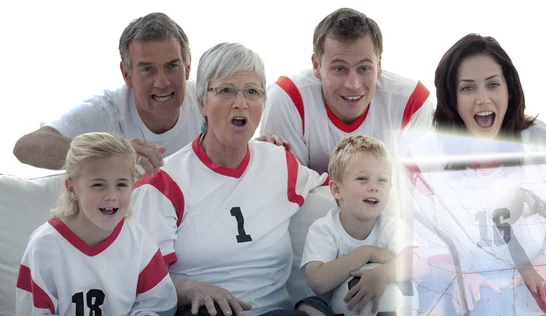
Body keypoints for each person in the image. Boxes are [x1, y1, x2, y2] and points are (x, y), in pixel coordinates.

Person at [131, 42, 331, 316]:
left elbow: (344, 190)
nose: (241, 103)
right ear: (202, 102)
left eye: (252, 91)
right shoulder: (163, 184)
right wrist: (190, 290)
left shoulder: (279, 162)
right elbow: (142, 283)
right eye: (225, 90)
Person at [402, 33, 546, 315]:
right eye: (468, 88)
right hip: (460, 289)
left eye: (493, 84)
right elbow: (420, 244)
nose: (482, 98)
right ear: (451, 97)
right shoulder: (422, 160)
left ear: (509, 90)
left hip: (542, 284)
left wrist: (532, 273)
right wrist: (457, 276)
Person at [12, 12, 286, 177]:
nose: (162, 82)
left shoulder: (205, 99)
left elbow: (228, 141)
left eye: (172, 66)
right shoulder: (107, 110)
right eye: (147, 70)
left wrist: (257, 149)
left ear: (188, 66)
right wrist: (108, 154)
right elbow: (26, 148)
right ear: (126, 74)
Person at [15, 132, 177, 315]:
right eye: (98, 185)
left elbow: (157, 303)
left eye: (121, 184)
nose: (111, 195)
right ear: (72, 188)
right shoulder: (44, 247)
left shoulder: (138, 240)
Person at [260, 7, 434, 175]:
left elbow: (413, 193)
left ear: (379, 65)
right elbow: (286, 190)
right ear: (316, 66)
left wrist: (315, 182)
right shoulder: (287, 97)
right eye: (339, 69)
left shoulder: (412, 102)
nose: (353, 84)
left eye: (364, 68)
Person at [300, 134, 428, 315]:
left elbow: (421, 264)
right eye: (362, 179)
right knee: (308, 307)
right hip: (332, 309)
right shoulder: (324, 229)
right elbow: (318, 281)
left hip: (386, 307)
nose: (374, 186)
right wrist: (367, 253)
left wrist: (383, 273)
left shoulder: (391, 227)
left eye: (382, 180)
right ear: (337, 190)